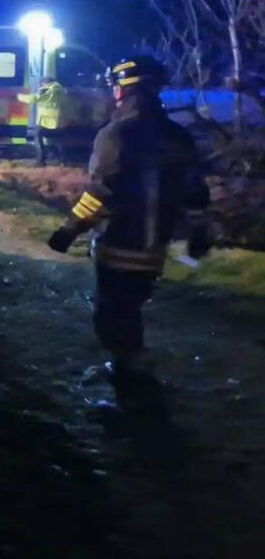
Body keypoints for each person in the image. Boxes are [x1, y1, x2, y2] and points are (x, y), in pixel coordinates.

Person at [47, 56, 211, 382]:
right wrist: (199, 233)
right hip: (155, 247)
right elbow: (195, 193)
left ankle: (133, 380)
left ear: (122, 89)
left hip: (118, 242)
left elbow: (100, 193)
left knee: (113, 313)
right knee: (130, 306)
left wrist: (69, 230)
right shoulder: (178, 136)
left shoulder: (116, 134)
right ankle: (131, 368)